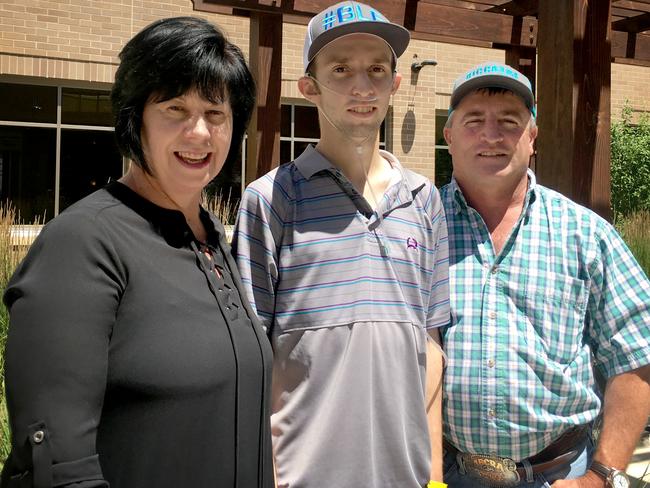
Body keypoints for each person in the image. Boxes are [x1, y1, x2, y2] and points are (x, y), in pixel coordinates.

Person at [1, 17, 273, 488]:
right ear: (136, 118)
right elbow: (56, 468)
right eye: (174, 108)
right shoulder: (84, 244)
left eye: (215, 113)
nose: (199, 133)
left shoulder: (210, 237)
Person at [232, 2, 449, 487]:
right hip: (301, 475)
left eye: (376, 70)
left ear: (395, 84)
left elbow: (430, 348)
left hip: (407, 476)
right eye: (341, 69)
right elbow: (250, 358)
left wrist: (434, 477)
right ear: (309, 87)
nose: (361, 86)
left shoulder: (424, 200)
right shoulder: (271, 200)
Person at [440, 61, 650, 488]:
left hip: (560, 475)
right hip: (443, 472)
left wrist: (603, 474)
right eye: (474, 120)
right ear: (449, 136)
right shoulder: (416, 228)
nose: (492, 135)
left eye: (509, 122)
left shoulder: (585, 234)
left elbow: (638, 353)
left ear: (532, 137)